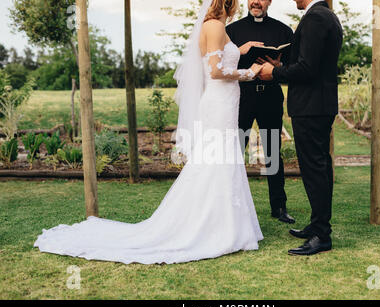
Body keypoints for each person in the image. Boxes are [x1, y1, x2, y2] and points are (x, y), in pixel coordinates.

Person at [34, 0, 264, 265]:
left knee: (221, 161)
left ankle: (227, 226)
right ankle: (214, 227)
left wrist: (240, 50)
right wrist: (250, 72)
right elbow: (214, 71)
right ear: (229, 2)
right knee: (214, 162)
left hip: (224, 103)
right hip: (219, 103)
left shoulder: (214, 26)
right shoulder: (214, 25)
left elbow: (220, 58)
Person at [259, 0, 343, 255]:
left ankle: (321, 235)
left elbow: (307, 69)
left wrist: (274, 73)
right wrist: (281, 65)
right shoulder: (326, 15)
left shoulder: (316, 18)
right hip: (319, 105)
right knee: (320, 167)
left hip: (311, 107)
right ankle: (317, 225)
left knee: (314, 169)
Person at [226, 0, 296, 224]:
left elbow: (294, 67)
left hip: (270, 97)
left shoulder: (283, 30)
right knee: (236, 151)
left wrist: (278, 66)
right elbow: (221, 63)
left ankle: (279, 206)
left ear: (269, 1)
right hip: (241, 97)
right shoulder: (232, 30)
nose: (256, 1)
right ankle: (230, 204)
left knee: (273, 152)